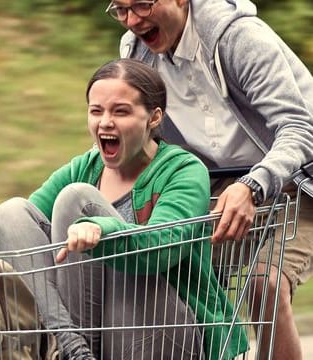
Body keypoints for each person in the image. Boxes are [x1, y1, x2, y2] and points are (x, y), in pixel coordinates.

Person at [0, 58, 247, 359]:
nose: (105, 122)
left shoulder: (183, 170)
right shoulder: (87, 165)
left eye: (120, 111)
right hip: (89, 331)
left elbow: (163, 247)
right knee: (11, 212)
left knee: (75, 199)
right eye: (96, 111)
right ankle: (71, 347)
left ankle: (71, 347)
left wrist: (102, 229)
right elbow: (9, 228)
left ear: (154, 118)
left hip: (164, 327)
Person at [104, 0, 313, 358]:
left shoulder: (238, 37)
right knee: (179, 273)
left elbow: (297, 129)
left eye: (141, 4)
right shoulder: (137, 55)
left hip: (300, 179)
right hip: (223, 184)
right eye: (120, 10)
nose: (133, 20)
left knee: (265, 285)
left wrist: (252, 185)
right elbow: (145, 136)